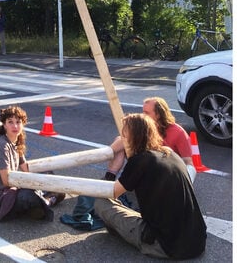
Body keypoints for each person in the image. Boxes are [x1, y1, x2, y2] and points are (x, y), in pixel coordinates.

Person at [62, 96, 195, 231]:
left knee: (102, 203)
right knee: (120, 141)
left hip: (162, 177)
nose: (144, 115)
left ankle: (110, 184)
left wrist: (184, 185)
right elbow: (115, 148)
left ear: (159, 115)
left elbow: (188, 162)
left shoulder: (177, 133)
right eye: (143, 112)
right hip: (146, 171)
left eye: (147, 113)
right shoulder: (148, 137)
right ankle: (110, 177)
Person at [93, 113, 207, 259]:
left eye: (124, 135)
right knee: (130, 211)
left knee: (101, 203)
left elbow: (111, 193)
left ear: (133, 137)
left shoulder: (140, 160)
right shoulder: (170, 153)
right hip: (197, 241)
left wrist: (113, 169)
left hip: (165, 246)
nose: (122, 138)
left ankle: (122, 231)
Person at [0, 105, 60, 222]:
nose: (15, 126)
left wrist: (44, 179)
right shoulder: (1, 146)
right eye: (10, 122)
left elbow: (26, 169)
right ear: (4, 125)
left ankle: (43, 202)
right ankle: (45, 201)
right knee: (28, 195)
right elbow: (6, 181)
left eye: (18, 122)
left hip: (12, 188)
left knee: (53, 179)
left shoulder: (17, 141)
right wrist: (32, 185)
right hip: (0, 196)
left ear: (23, 124)